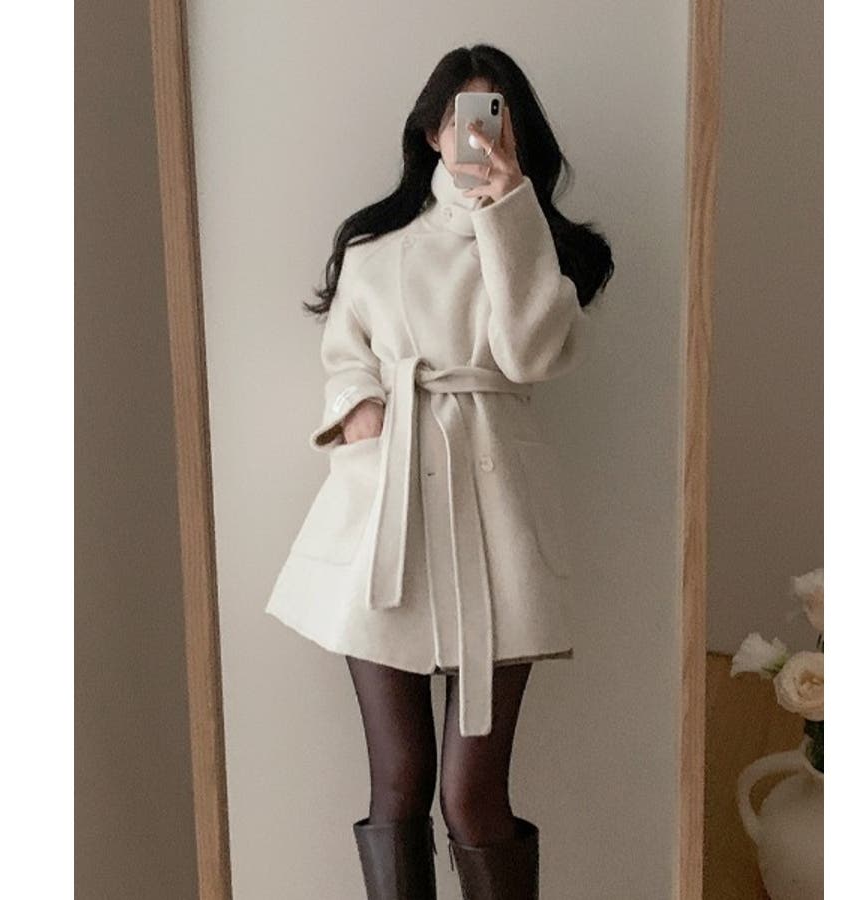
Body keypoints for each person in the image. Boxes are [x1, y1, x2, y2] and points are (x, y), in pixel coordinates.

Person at [265, 43, 614, 899]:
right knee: (399, 780)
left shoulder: (541, 251)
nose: (478, 138)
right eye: (463, 120)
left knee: (471, 795)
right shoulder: (374, 251)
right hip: (384, 517)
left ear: (518, 135)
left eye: (496, 120)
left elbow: (528, 354)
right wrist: (360, 411)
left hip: (495, 520)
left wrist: (508, 210)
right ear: (431, 132)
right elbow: (345, 355)